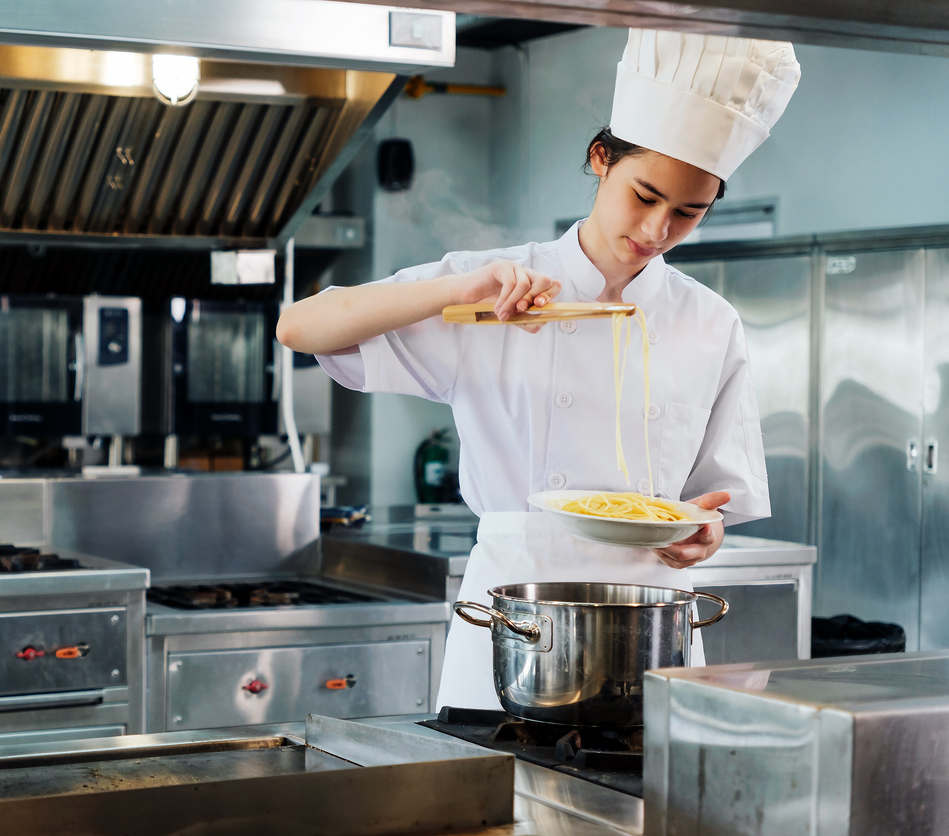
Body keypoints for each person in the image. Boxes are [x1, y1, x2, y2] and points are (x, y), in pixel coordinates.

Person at [277, 29, 801, 709]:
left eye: (687, 212)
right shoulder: (491, 287)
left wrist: (706, 534)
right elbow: (300, 327)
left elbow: (711, 502)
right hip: (515, 618)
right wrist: (452, 292)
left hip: (651, 621)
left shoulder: (710, 322)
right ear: (600, 158)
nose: (655, 229)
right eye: (644, 196)